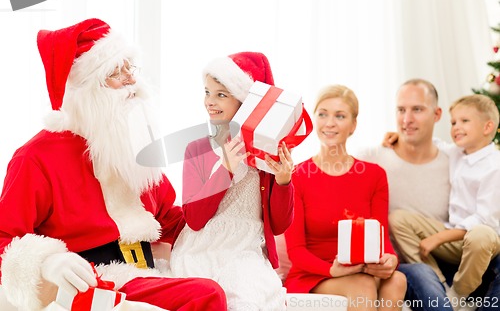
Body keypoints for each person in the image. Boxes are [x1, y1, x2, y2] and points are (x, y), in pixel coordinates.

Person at [0, 18, 226, 311]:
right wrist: (48, 261)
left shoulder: (131, 145)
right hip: (97, 280)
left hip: (147, 272)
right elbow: (4, 237)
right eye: (115, 73)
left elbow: (169, 218)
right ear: (85, 89)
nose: (131, 80)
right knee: (205, 294)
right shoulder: (35, 157)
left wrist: (226, 201)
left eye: (129, 67)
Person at [358, 78, 500, 311]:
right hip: (416, 261)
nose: (407, 119)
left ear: (436, 114)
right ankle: (447, 294)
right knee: (422, 271)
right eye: (401, 110)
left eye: (417, 110)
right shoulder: (374, 157)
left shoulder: (454, 155)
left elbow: (486, 218)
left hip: (463, 248)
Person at [169, 52, 295, 311]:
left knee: (246, 297)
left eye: (221, 95)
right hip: (200, 251)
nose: (210, 102)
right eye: (207, 92)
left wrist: (283, 182)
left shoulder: (267, 153)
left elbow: (280, 224)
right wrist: (225, 169)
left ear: (246, 103)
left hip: (247, 252)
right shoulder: (198, 149)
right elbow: (194, 218)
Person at [284, 84, 407, 311]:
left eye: (340, 116)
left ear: (353, 125)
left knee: (398, 280)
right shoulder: (297, 176)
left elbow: (382, 240)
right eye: (323, 114)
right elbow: (296, 252)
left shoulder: (374, 175)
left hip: (361, 269)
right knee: (362, 285)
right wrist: (333, 270)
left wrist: (391, 260)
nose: (329, 123)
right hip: (315, 274)